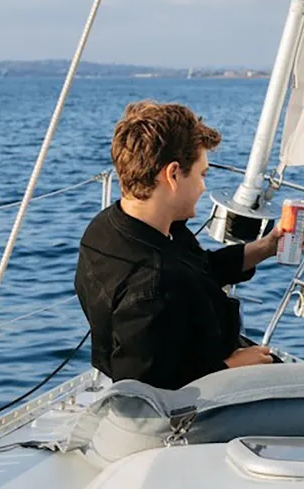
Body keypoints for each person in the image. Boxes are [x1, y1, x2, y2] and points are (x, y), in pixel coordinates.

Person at [74, 100, 283, 390]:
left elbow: (202, 268)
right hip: (211, 396)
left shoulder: (116, 226)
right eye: (201, 174)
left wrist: (267, 246)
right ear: (172, 174)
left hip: (219, 361)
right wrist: (231, 367)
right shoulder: (152, 284)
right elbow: (142, 387)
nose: (202, 187)